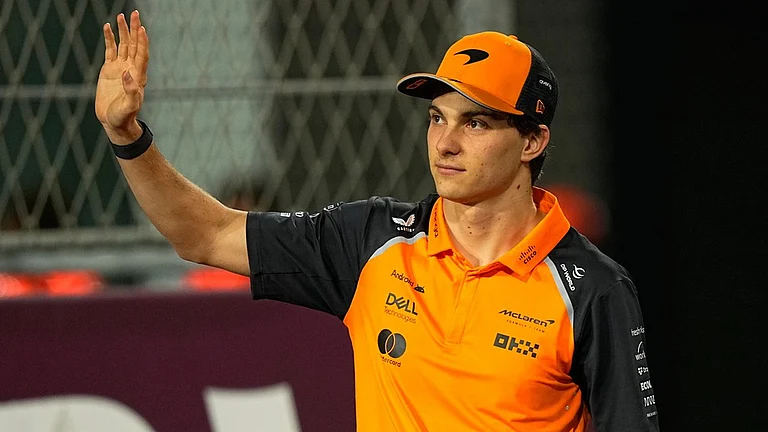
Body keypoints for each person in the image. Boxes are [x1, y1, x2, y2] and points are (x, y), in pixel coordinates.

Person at [95, 10, 659, 432]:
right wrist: (127, 138)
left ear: (533, 140)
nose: (446, 142)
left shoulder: (593, 290)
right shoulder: (373, 240)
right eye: (437, 118)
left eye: (477, 124)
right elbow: (206, 234)